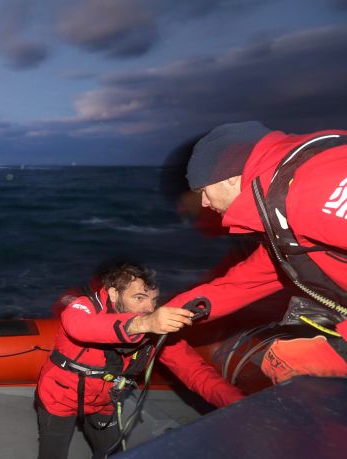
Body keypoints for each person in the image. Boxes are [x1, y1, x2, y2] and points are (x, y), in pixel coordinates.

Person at [164, 121, 347, 384]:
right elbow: (246, 282)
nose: (203, 203)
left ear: (230, 178)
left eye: (203, 191)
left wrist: (338, 352)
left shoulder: (310, 190)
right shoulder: (280, 205)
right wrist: (162, 317)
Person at [36, 262, 244, 459]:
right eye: (139, 298)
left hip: (104, 402)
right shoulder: (83, 307)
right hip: (59, 397)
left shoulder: (156, 328)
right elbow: (79, 327)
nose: (148, 307)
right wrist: (142, 324)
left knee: (112, 453)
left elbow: (196, 373)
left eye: (154, 300)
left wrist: (241, 405)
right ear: (113, 293)